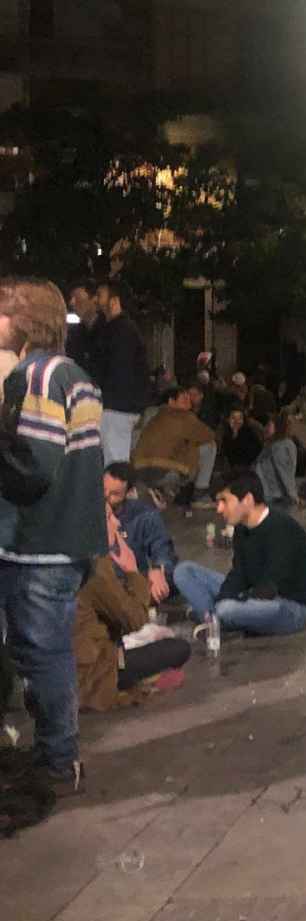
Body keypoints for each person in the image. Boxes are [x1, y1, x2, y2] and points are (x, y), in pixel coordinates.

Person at [0, 278, 106, 792]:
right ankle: (57, 757)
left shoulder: (37, 375)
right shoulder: (68, 373)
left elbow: (32, 469)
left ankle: (58, 763)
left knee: (42, 654)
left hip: (38, 545)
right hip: (60, 542)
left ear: (21, 322)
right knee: (44, 651)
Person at [173, 472, 306, 636]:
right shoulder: (242, 529)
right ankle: (214, 620)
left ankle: (211, 617)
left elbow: (270, 586)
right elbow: (238, 574)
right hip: (253, 593)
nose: (219, 509)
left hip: (290, 606)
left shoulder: (282, 528)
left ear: (247, 500)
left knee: (226, 609)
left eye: (224, 501)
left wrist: (235, 599)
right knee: (184, 571)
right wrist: (227, 595)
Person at [74, 506, 191, 711]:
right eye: (110, 517)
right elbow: (135, 620)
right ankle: (145, 680)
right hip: (95, 671)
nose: (118, 523)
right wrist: (133, 571)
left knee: (157, 639)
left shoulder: (80, 557)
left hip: (87, 660)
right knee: (178, 648)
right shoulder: (94, 566)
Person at [89, 280, 148, 464]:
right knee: (114, 461)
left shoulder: (121, 331)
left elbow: (118, 370)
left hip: (117, 408)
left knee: (114, 464)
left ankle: (119, 493)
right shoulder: (118, 329)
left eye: (100, 295)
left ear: (114, 301)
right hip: (118, 406)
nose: (96, 300)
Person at [132, 384, 218, 507]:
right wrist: (193, 442)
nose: (188, 402)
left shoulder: (156, 414)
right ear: (171, 401)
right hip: (162, 472)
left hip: (139, 471)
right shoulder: (184, 416)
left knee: (180, 446)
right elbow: (209, 435)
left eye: (189, 399)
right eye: (184, 399)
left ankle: (161, 491)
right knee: (210, 446)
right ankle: (200, 494)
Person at [103, 463, 178, 603]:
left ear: (129, 492)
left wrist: (157, 570)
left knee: (175, 578)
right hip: (97, 583)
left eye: (114, 494)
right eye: (103, 489)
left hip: (132, 581)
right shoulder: (85, 512)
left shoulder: (145, 515)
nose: (106, 496)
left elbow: (162, 548)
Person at [253, 411, 302, 508]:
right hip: (270, 496)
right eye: (265, 425)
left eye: (269, 426)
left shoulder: (281, 445)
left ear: (278, 427)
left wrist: (294, 497)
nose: (265, 429)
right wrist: (294, 497)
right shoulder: (274, 445)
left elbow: (284, 472)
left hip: (271, 496)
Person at [218, 407, 263, 473]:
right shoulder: (225, 435)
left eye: (239, 418)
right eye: (233, 418)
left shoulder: (250, 433)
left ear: (243, 420)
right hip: (234, 471)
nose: (236, 421)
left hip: (250, 470)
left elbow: (254, 456)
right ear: (228, 420)